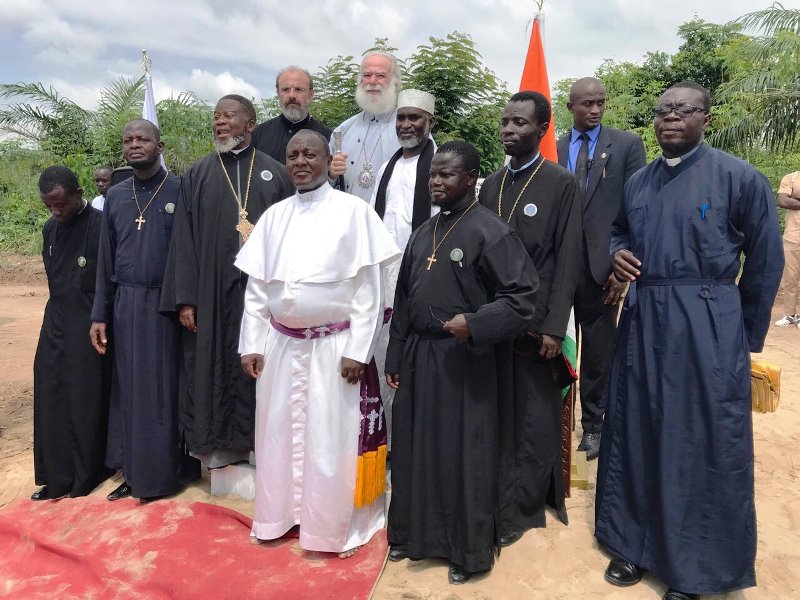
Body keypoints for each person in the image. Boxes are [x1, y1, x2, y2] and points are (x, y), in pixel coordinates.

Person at [596, 81, 783, 600]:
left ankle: (692, 569)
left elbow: (765, 262)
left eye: (684, 110)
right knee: (637, 428)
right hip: (643, 320)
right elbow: (618, 231)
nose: (671, 118)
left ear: (706, 118)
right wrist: (616, 253)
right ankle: (632, 544)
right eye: (663, 111)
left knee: (699, 439)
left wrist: (740, 336)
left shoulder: (739, 177)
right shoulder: (638, 182)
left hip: (706, 321)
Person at [236, 130, 400, 558]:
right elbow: (257, 290)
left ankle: (337, 529)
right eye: (293, 155)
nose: (300, 161)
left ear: (329, 160)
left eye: (310, 154)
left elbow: (369, 292)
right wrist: (251, 343)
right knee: (277, 436)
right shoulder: (273, 217)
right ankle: (280, 516)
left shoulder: (354, 212)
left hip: (334, 349)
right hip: (281, 346)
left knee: (332, 441)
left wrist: (358, 351)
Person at [386, 141, 538, 584]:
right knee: (415, 448)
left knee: (463, 455)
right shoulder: (423, 232)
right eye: (433, 174)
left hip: (465, 362)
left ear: (470, 178)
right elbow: (403, 299)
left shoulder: (492, 232)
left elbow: (522, 298)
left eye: (446, 174)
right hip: (419, 356)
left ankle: (466, 550)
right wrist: (395, 354)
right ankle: (412, 534)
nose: (435, 181)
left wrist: (474, 323)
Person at [160, 95, 293, 467]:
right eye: (216, 116)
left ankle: (262, 447)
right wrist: (186, 298)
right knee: (213, 364)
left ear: (249, 125)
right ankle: (218, 450)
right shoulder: (198, 174)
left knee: (263, 363)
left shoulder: (276, 173)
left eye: (228, 116)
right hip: (212, 290)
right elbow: (183, 239)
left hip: (262, 291)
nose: (219, 122)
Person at [478, 91, 582, 542]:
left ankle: (523, 507)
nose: (508, 129)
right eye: (505, 121)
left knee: (532, 417)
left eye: (519, 123)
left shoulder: (561, 183)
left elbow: (568, 259)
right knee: (497, 410)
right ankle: (495, 495)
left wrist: (555, 327)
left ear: (542, 130)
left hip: (537, 322)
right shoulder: (490, 184)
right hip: (493, 319)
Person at [90, 119, 200, 503]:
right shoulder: (116, 196)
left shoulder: (180, 189)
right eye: (128, 140)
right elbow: (105, 260)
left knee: (162, 390)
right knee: (129, 388)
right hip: (125, 303)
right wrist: (100, 314)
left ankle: (164, 474)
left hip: (164, 306)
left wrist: (186, 300)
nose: (134, 145)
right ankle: (132, 470)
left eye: (143, 139)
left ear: (160, 146)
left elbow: (190, 253)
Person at [556, 77, 647, 459]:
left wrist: (622, 267)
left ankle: (594, 426)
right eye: (587, 103)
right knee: (556, 347)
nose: (595, 110)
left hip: (603, 270)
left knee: (598, 354)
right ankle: (556, 424)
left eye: (600, 103)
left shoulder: (626, 145)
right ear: (570, 107)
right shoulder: (554, 148)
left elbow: (638, 209)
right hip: (559, 269)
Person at [32, 166, 113, 501]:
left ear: (78, 194)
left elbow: (107, 279)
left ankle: (86, 474)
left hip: (90, 321)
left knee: (84, 397)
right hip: (56, 320)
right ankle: (56, 475)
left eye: (61, 204)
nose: (56, 211)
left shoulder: (101, 226)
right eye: (49, 206)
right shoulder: (50, 229)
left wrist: (100, 317)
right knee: (49, 390)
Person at [369, 88, 438, 439]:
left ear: (430, 122)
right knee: (385, 357)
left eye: (414, 118)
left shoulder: (441, 165)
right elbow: (373, 222)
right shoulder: (387, 167)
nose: (406, 124)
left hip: (429, 275)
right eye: (401, 118)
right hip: (386, 278)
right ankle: (388, 441)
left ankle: (419, 442)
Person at [329, 51, 402, 201]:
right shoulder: (342, 131)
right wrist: (330, 174)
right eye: (367, 75)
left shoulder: (410, 130)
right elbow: (322, 186)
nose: (372, 81)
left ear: (395, 81)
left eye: (380, 75)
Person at [251, 66, 332, 164]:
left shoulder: (328, 137)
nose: (292, 95)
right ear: (278, 93)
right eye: (286, 89)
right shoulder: (257, 135)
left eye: (298, 89)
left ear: (311, 94)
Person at [775, 169, 800, 326]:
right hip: (792, 236)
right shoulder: (791, 178)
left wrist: (795, 200)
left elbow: (790, 201)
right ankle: (790, 314)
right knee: (790, 277)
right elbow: (783, 201)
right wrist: (790, 200)